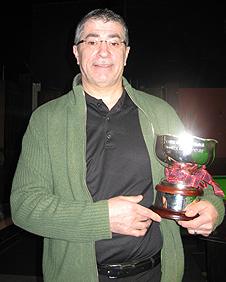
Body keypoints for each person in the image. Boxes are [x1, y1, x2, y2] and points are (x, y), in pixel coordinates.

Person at [10, 8, 225, 282]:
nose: (103, 51)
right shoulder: (46, 120)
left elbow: (199, 182)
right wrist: (101, 218)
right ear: (76, 52)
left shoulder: (160, 113)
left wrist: (211, 208)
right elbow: (24, 206)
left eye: (114, 42)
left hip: (157, 273)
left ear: (126, 53)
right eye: (92, 41)